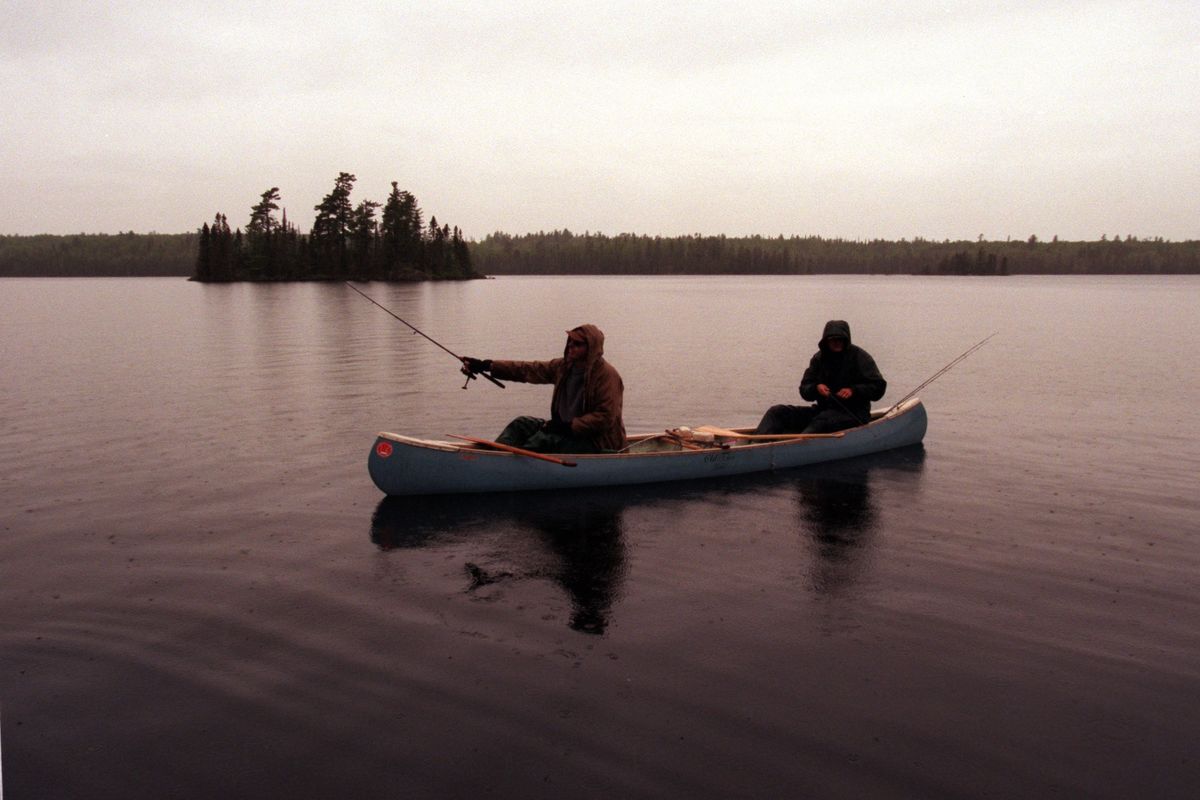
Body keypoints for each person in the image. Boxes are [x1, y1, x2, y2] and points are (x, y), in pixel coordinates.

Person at [461, 324, 626, 454]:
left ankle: (506, 465)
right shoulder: (562, 367)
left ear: (591, 348)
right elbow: (527, 369)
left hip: (596, 441)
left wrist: (568, 427)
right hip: (563, 430)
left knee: (543, 440)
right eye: (570, 342)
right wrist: (487, 365)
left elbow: (605, 418)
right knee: (521, 424)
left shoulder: (607, 376)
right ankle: (495, 456)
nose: (571, 346)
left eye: (577, 344)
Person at [755, 320, 886, 435]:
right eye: (833, 340)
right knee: (777, 412)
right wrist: (815, 388)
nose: (836, 343)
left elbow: (878, 387)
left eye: (840, 339)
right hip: (822, 411)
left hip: (855, 414)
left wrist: (854, 390)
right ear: (826, 341)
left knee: (821, 422)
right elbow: (804, 388)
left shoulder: (860, 357)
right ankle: (757, 443)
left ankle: (796, 446)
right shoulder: (819, 358)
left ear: (846, 340)